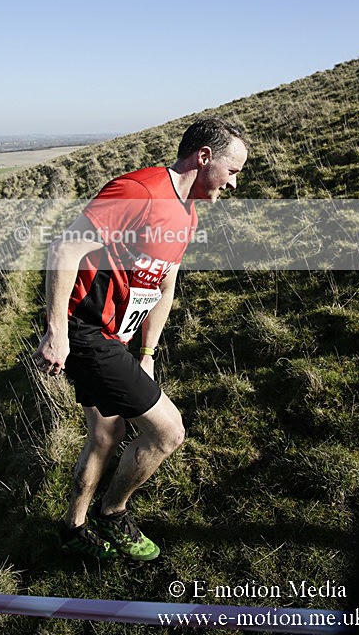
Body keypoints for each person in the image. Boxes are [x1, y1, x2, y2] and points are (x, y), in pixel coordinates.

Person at [32, 117, 248, 560]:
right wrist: (57, 332)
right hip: (87, 332)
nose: (233, 183)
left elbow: (163, 285)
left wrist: (147, 353)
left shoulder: (187, 213)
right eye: (232, 171)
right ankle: (113, 514)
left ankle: (72, 532)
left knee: (106, 435)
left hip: (119, 338)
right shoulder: (140, 190)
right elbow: (65, 248)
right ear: (204, 157)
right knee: (169, 433)